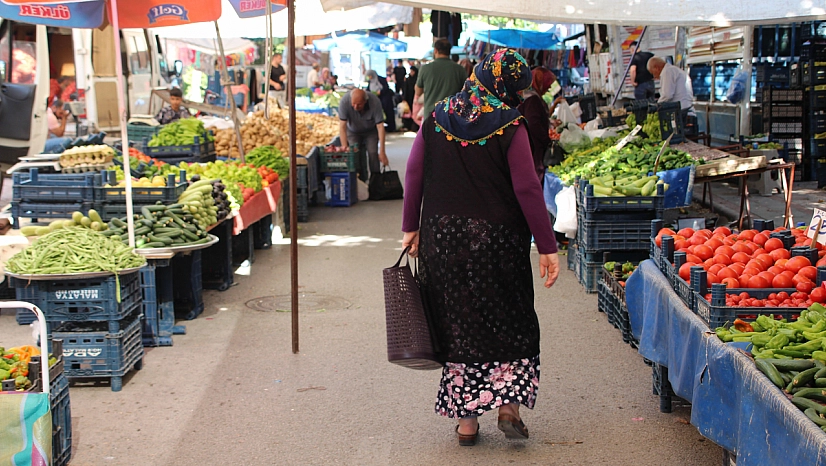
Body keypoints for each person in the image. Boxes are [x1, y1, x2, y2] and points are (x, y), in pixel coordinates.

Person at [401, 49, 559, 447]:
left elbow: (414, 171)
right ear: (507, 86)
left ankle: (467, 423)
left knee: (459, 323)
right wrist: (547, 245)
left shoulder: (437, 116)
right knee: (510, 318)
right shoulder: (510, 123)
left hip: (444, 239)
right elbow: (527, 187)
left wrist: (410, 227)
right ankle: (508, 408)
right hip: (498, 241)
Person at [338, 88, 389, 182]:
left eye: (359, 104)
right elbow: (342, 127)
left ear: (365, 101)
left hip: (371, 131)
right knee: (355, 155)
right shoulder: (344, 102)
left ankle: (375, 180)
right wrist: (344, 147)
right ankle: (360, 179)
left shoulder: (375, 102)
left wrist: (382, 152)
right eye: (353, 104)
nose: (355, 107)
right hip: (353, 131)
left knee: (373, 153)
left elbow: (380, 127)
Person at [517, 67, 557, 183]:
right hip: (534, 147)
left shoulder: (528, 96)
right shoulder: (532, 99)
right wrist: (546, 140)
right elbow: (533, 123)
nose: (549, 88)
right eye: (548, 84)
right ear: (540, 82)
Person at [415, 39, 468, 114]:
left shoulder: (425, 69)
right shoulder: (460, 69)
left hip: (431, 114)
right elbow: (466, 91)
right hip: (451, 115)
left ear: (435, 50)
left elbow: (418, 92)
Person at [647, 56, 695, 126]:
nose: (654, 76)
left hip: (682, 112)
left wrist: (657, 107)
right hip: (687, 109)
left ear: (656, 67)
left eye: (653, 73)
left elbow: (667, 95)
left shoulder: (667, 72)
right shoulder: (674, 70)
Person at [402, 66, 419, 132]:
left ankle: (415, 126)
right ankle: (408, 126)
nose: (411, 73)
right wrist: (404, 98)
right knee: (408, 111)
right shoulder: (407, 79)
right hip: (408, 98)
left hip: (415, 98)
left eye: (412, 71)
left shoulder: (417, 79)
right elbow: (405, 89)